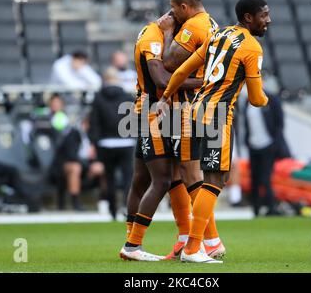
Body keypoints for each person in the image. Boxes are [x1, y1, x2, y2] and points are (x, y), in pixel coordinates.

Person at [157, 0, 270, 263]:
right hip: (218, 115)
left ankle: (199, 244)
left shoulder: (218, 36)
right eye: (264, 15)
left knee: (201, 178)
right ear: (248, 18)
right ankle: (195, 248)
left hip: (194, 109)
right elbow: (256, 99)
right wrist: (267, 98)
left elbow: (182, 69)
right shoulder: (252, 48)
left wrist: (165, 96)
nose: (268, 20)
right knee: (215, 181)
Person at [119, 13, 202, 261]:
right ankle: (132, 245)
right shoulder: (153, 38)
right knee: (162, 179)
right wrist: (204, 82)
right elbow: (162, 79)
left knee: (145, 177)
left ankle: (182, 238)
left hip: (158, 111)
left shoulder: (155, 35)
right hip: (151, 113)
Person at [157, 0, 224, 260]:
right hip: (207, 106)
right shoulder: (212, 23)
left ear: (184, 7)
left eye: (174, 9)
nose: (172, 14)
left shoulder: (192, 26)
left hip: (188, 106)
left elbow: (169, 63)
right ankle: (191, 238)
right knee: (185, 171)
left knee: (191, 171)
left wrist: (167, 32)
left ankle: (209, 241)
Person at [89, 67, 136, 219]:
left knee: (109, 178)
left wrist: (94, 143)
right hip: (126, 142)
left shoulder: (98, 98)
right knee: (128, 178)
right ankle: (129, 209)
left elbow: (94, 124)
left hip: (105, 144)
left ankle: (113, 210)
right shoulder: (127, 97)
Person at [244, 91, 290, 216]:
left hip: (268, 145)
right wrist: (247, 141)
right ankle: (256, 209)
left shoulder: (271, 99)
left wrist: (276, 142)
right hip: (253, 145)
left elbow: (279, 122)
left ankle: (271, 207)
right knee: (254, 179)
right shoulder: (247, 101)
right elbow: (247, 124)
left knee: (266, 178)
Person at [49, 116, 105, 211]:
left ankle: (104, 201)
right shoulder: (73, 133)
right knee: (75, 168)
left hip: (85, 166)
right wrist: (88, 166)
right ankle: (75, 202)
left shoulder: (93, 136)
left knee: (101, 168)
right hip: (64, 166)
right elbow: (71, 156)